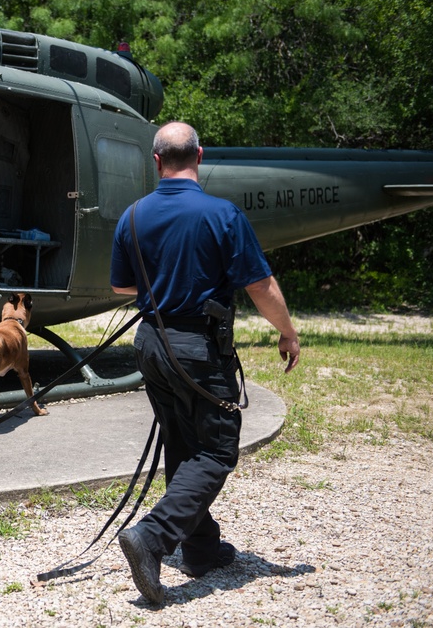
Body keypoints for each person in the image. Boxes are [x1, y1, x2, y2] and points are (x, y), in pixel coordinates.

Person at [109, 121, 300, 605]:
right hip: (197, 347)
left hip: (150, 344)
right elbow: (260, 285)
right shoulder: (222, 215)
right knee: (215, 451)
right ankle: (152, 538)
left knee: (182, 442)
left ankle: (200, 547)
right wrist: (287, 330)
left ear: (156, 161)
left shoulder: (131, 215)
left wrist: (167, 279)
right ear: (199, 155)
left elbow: (121, 288)